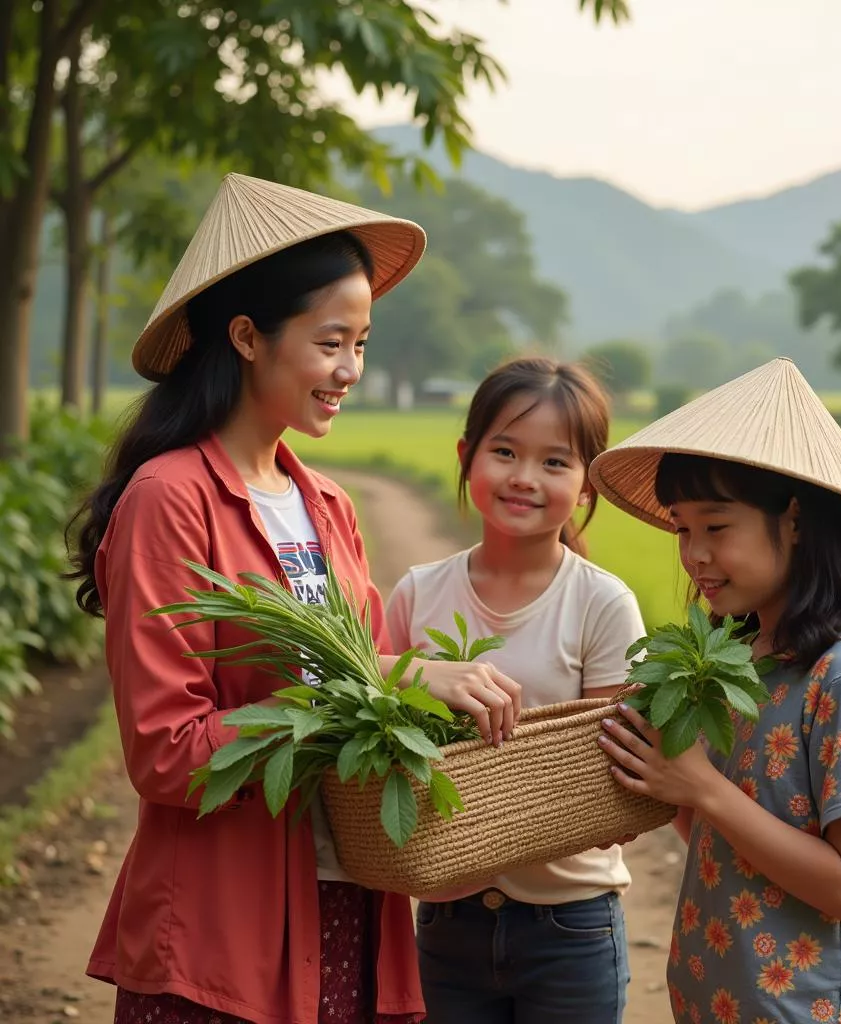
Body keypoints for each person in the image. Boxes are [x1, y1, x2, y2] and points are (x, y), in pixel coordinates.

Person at [66, 173, 522, 1024]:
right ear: (246, 336)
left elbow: (365, 690)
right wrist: (394, 682)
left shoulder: (329, 506)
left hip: (346, 901)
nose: (350, 370)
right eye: (330, 342)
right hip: (221, 929)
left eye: (362, 343)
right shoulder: (171, 500)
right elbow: (167, 751)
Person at [590, 357, 841, 1024]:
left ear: (794, 520)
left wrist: (702, 788)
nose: (694, 554)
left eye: (716, 527)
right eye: (683, 528)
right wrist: (657, 771)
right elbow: (716, 832)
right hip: (724, 998)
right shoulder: (737, 664)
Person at [385, 356, 646, 1023]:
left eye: (555, 463)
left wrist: (485, 809)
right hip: (446, 922)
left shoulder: (601, 605)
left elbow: (614, 791)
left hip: (572, 930)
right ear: (467, 456)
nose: (525, 478)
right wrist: (415, 676)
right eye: (504, 452)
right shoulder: (418, 593)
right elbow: (371, 723)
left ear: (587, 484)